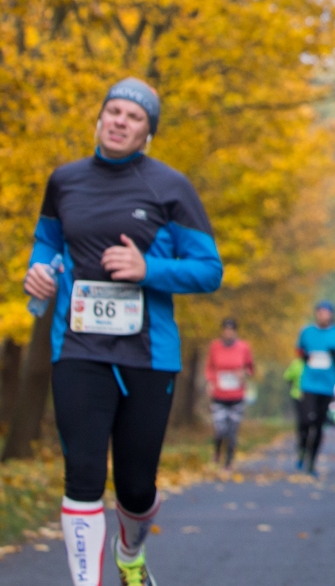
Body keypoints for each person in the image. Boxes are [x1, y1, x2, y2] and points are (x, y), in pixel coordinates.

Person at [21, 78, 224, 586]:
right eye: (112, 111)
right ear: (98, 120)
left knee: (135, 487)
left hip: (148, 356)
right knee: (83, 475)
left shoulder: (171, 187)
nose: (119, 121)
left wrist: (147, 270)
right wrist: (39, 275)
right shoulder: (64, 181)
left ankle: (130, 553)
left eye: (133, 118)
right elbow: (46, 245)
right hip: (77, 347)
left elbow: (208, 269)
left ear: (147, 135)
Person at [294, 300, 335, 476]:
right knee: (305, 420)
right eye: (320, 312)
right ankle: (302, 449)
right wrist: (306, 356)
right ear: (316, 314)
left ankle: (312, 461)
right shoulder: (307, 332)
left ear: (331, 315)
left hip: (327, 385)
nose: (323, 315)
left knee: (318, 424)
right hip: (308, 383)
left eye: (326, 313)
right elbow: (299, 351)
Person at [205, 318, 255, 468]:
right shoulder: (215, 347)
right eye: (225, 329)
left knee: (232, 430)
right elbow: (209, 368)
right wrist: (210, 381)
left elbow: (251, 369)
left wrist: (244, 374)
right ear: (222, 331)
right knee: (220, 429)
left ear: (235, 331)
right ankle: (217, 454)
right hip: (219, 394)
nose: (228, 332)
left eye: (231, 329)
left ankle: (229, 461)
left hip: (237, 395)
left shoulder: (243, 347)